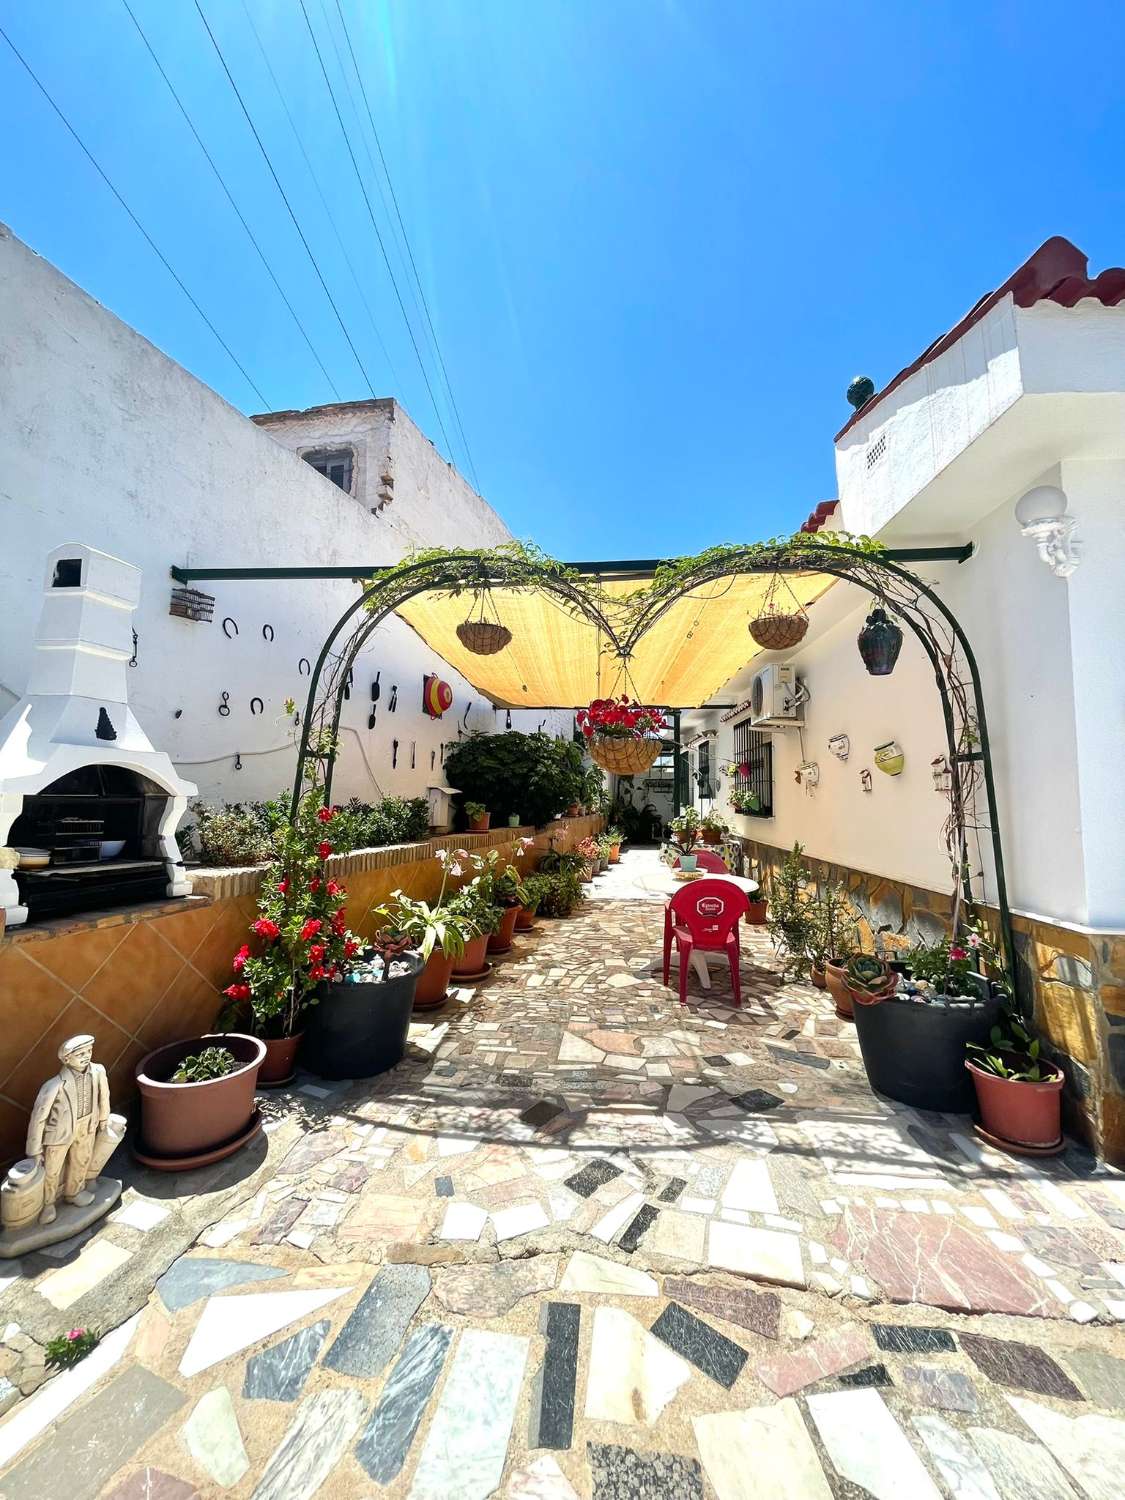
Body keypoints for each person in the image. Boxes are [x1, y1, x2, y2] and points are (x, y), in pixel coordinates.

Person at [25, 1035, 111, 1225]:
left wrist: (103, 1117)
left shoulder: (98, 1071)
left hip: (87, 1124)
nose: (86, 1056)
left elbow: (104, 1096)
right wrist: (34, 1149)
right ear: (66, 1059)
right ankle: (48, 1204)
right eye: (80, 1053)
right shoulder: (54, 1085)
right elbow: (39, 1117)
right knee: (52, 1169)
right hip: (59, 1134)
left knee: (82, 1160)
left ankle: (75, 1192)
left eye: (88, 1051)